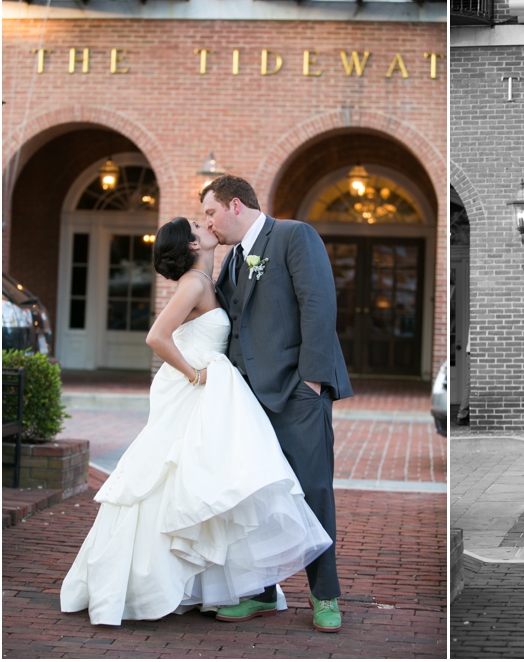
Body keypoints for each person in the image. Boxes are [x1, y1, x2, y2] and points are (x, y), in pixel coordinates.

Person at [60, 217, 333, 626]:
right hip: (196, 391)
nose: (207, 224)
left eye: (209, 215)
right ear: (191, 245)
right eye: (199, 223)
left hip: (223, 395)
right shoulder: (196, 282)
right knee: (175, 481)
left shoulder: (217, 276)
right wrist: (195, 374)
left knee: (204, 482)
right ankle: (147, 582)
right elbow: (157, 337)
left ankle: (219, 586)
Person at [202, 175, 352, 632]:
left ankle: (324, 596)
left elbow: (318, 306)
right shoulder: (228, 261)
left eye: (210, 213)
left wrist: (312, 381)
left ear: (233, 205)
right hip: (248, 400)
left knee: (312, 491)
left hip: (296, 393)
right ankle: (263, 591)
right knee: (259, 497)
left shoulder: (292, 235)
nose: (207, 223)